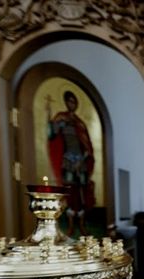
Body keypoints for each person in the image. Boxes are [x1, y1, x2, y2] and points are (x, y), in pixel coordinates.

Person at [47, 90, 95, 236]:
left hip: (81, 161)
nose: (71, 104)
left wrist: (84, 158)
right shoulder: (61, 119)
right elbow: (52, 134)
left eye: (74, 101)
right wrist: (48, 115)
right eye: (69, 101)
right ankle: (70, 226)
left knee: (82, 193)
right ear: (66, 103)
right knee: (70, 192)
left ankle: (82, 225)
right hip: (68, 161)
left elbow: (87, 146)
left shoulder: (80, 123)